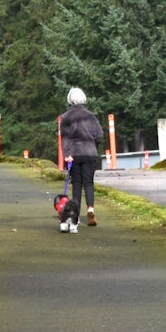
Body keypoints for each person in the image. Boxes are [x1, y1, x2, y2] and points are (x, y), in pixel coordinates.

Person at [59, 87, 104, 230]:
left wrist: (66, 155)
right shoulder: (91, 116)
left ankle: (75, 215)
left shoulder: (65, 117)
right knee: (89, 183)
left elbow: (64, 139)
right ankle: (90, 209)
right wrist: (93, 146)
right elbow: (99, 135)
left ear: (70, 99)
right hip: (89, 152)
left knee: (77, 184)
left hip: (74, 154)